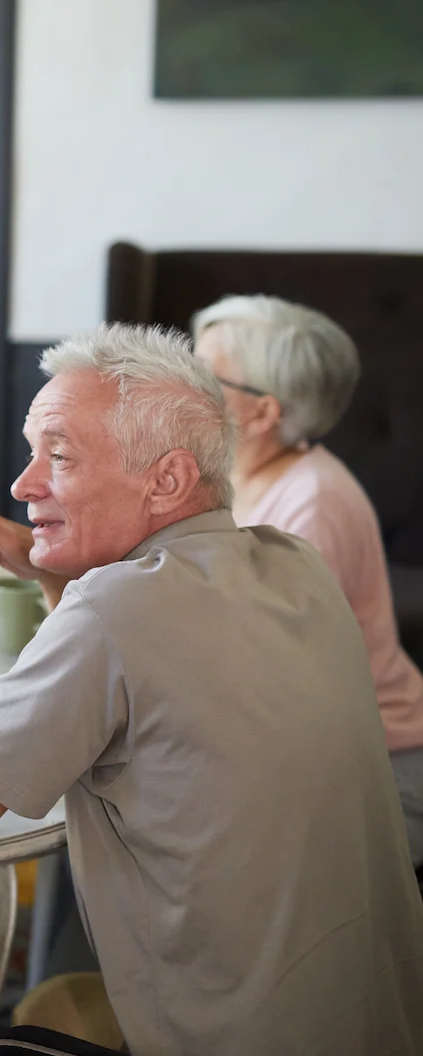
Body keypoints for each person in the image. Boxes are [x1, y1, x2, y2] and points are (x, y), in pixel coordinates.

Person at [0, 323, 423, 1056]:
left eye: (60, 456)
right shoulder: (295, 562)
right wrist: (50, 572)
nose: (22, 483)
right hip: (378, 1031)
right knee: (55, 1002)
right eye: (30, 449)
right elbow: (122, 680)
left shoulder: (116, 612)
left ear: (167, 479)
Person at [193, 294, 423, 870]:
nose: (182, 385)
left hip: (377, 768)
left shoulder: (311, 506)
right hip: (302, 745)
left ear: (265, 413)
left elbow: (272, 687)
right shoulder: (229, 476)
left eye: (203, 373)